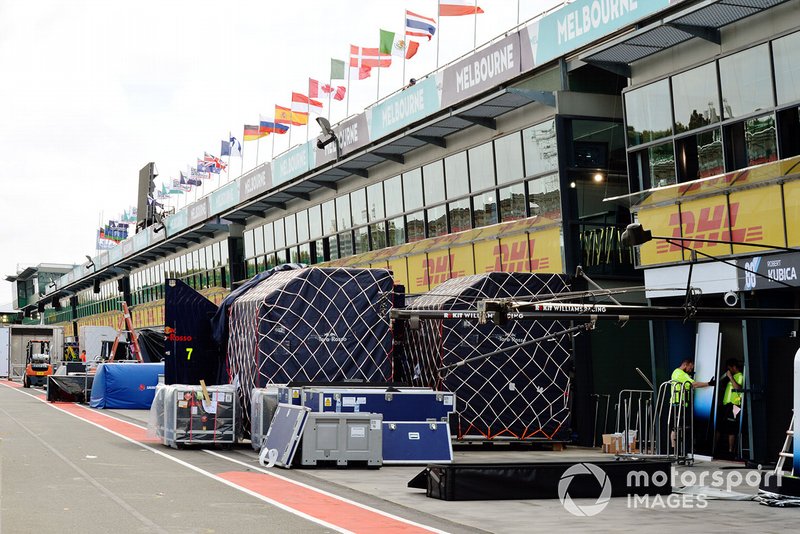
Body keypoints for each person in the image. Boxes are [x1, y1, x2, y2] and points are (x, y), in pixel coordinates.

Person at [670, 358, 714, 450]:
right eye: (690, 367)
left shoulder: (678, 373)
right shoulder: (680, 373)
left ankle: (677, 449)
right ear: (685, 364)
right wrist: (709, 383)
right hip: (679, 404)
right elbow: (694, 384)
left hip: (680, 403)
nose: (691, 369)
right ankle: (676, 449)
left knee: (678, 427)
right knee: (678, 427)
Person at [717, 358, 744, 458]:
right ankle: (716, 448)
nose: (728, 371)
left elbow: (738, 388)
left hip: (735, 405)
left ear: (733, 367)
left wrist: (730, 377)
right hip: (726, 405)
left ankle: (730, 451)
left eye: (729, 369)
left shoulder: (740, 375)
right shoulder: (731, 377)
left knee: (731, 428)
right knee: (719, 426)